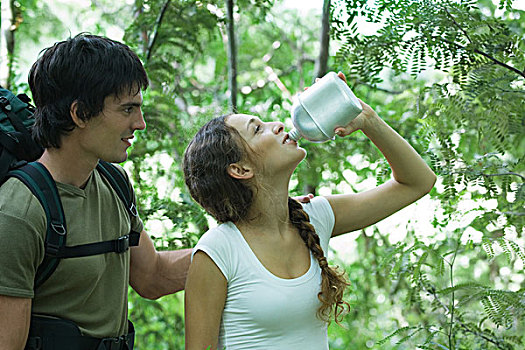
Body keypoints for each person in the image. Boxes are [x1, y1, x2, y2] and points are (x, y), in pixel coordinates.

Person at [182, 72, 437, 350]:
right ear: (241, 169)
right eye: (258, 129)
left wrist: (368, 120)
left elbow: (418, 182)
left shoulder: (315, 217)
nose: (277, 125)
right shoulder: (218, 251)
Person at [0, 34, 192, 349]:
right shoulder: (19, 212)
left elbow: (153, 276)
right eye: (127, 109)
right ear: (80, 114)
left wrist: (249, 235)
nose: (140, 123)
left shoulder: (114, 184)